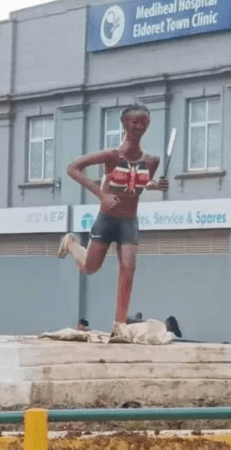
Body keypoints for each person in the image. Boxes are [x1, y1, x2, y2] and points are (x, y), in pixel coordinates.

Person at [58, 105, 168, 331]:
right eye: (135, 122)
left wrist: (156, 186)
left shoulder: (152, 161)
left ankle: (119, 324)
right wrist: (101, 195)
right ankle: (70, 243)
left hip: (129, 220)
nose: (139, 127)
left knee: (129, 267)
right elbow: (73, 168)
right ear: (124, 124)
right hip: (107, 218)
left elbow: (139, 182)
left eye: (144, 123)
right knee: (90, 267)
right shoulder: (111, 156)